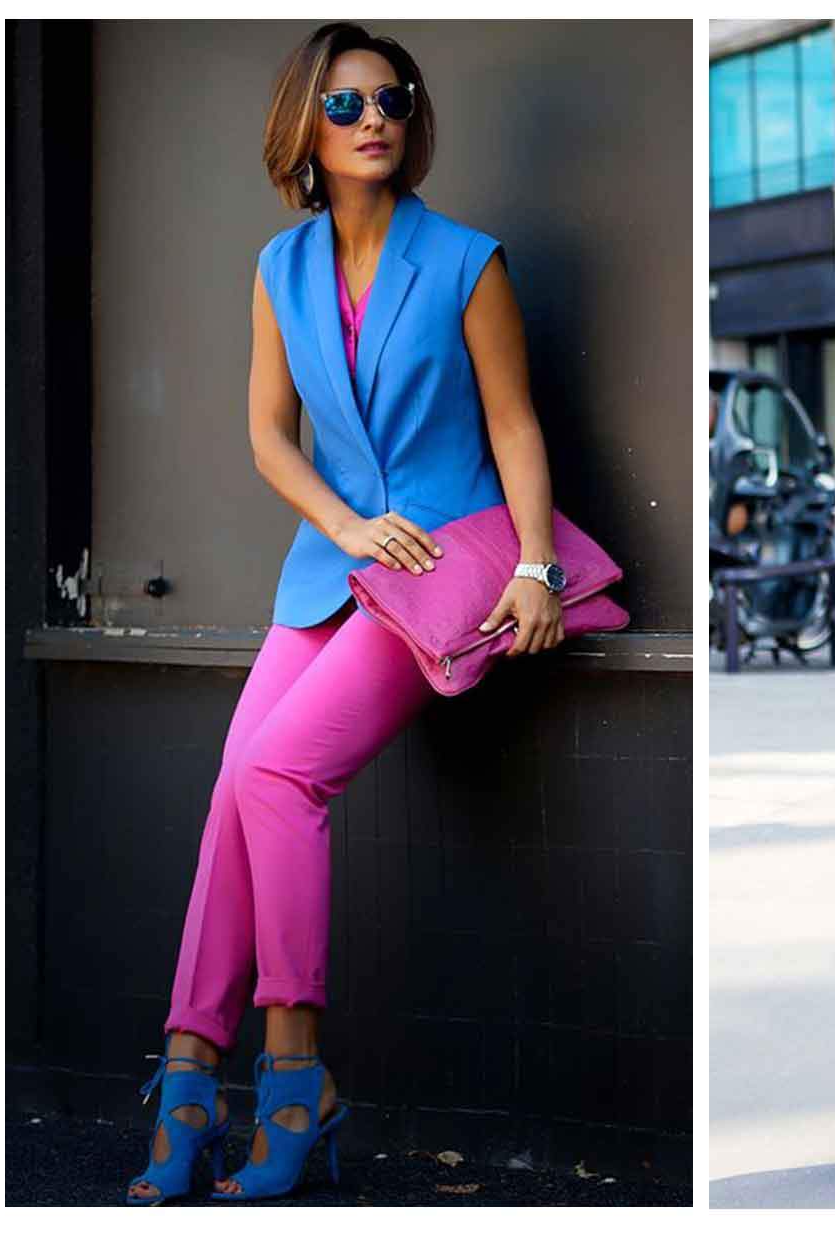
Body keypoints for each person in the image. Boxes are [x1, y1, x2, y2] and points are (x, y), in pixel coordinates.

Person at [126, 22, 566, 1203]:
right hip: (329, 574)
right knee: (236, 788)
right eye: (345, 104)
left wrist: (537, 565)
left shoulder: (469, 261)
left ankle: (294, 1078)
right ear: (304, 132)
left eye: (393, 98)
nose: (375, 117)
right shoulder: (279, 268)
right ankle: (183, 1080)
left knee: (276, 776)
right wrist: (342, 522)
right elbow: (270, 434)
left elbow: (517, 424)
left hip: (438, 573)